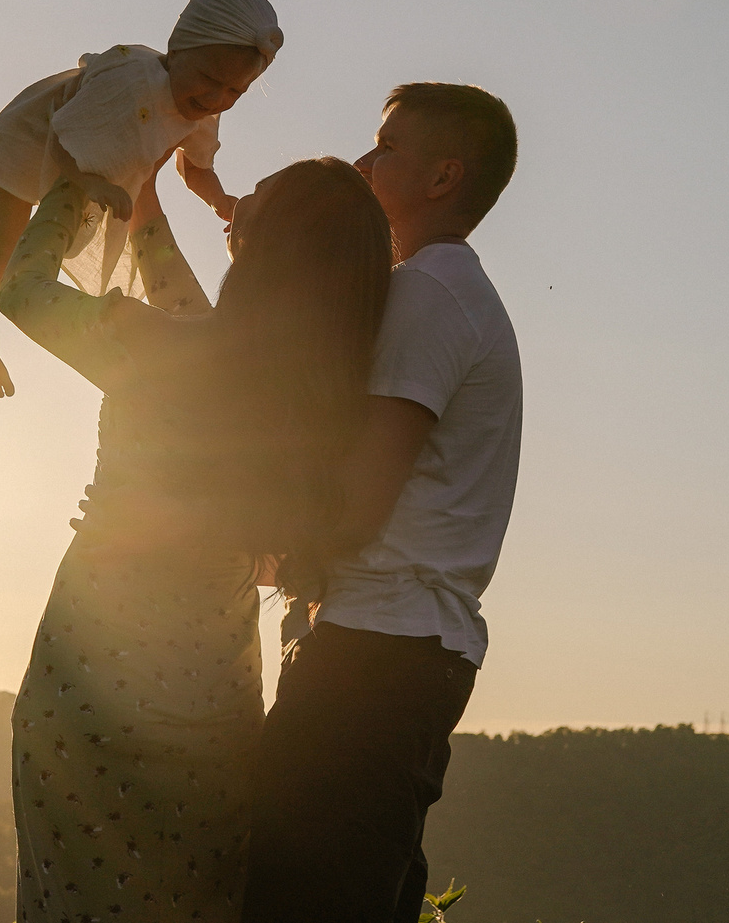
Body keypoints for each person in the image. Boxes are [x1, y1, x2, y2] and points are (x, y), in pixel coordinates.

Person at [0, 155, 394, 922]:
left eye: (258, 196)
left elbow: (22, 293)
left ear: (268, 242)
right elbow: (191, 303)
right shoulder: (306, 385)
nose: (238, 198)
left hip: (91, 686)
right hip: (213, 700)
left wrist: (82, 175)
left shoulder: (153, 344)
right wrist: (143, 203)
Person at [243, 82, 523, 923]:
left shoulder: (430, 293)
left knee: (299, 899)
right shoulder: (441, 288)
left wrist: (214, 542)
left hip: (378, 653)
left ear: (444, 177)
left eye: (386, 147)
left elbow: (362, 500)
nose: (366, 160)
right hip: (398, 646)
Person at [0, 0, 284, 398]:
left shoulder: (204, 109)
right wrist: (91, 182)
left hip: (113, 153)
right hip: (40, 135)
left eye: (235, 91)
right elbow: (63, 141)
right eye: (209, 78)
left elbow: (194, 167)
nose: (215, 97)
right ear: (175, 51)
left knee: (133, 206)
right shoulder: (128, 81)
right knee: (6, 235)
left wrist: (218, 200)